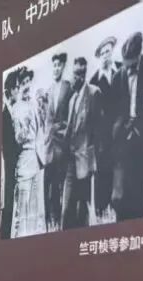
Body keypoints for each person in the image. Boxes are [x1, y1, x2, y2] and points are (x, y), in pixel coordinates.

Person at [111, 32, 143, 222]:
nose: (128, 69)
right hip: (122, 139)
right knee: (121, 193)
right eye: (125, 64)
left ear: (139, 56)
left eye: (132, 65)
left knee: (140, 188)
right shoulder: (118, 77)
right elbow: (114, 111)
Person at [63, 56, 102, 229]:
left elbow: (98, 128)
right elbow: (69, 129)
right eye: (73, 73)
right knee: (67, 208)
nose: (74, 78)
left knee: (83, 208)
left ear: (83, 75)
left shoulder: (93, 93)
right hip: (71, 160)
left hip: (85, 159)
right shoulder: (72, 99)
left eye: (77, 74)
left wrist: (92, 158)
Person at [12, 68, 47, 238]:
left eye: (28, 82)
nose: (26, 86)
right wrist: (25, 126)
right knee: (23, 202)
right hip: (24, 158)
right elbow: (17, 139)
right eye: (23, 83)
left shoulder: (34, 105)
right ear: (19, 86)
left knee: (35, 203)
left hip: (36, 158)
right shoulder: (16, 108)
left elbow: (41, 131)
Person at [44, 52, 74, 231]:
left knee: (64, 181)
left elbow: (70, 115)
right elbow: (48, 119)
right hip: (51, 145)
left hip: (63, 141)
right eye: (54, 65)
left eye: (58, 65)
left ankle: (64, 219)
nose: (56, 68)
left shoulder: (68, 87)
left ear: (63, 66)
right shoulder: (49, 90)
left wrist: (61, 128)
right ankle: (54, 220)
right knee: (53, 183)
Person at [91, 36, 121, 222]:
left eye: (108, 52)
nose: (105, 56)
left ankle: (118, 208)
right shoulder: (94, 81)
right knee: (103, 172)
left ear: (112, 52)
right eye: (102, 53)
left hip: (121, 133)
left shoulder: (121, 71)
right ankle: (102, 211)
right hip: (103, 138)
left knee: (120, 171)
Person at [2, 69, 23, 238]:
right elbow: (7, 144)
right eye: (16, 87)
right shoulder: (4, 112)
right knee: (7, 202)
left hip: (10, 165)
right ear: (9, 90)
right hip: (7, 165)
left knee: (10, 201)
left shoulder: (10, 111)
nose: (19, 90)